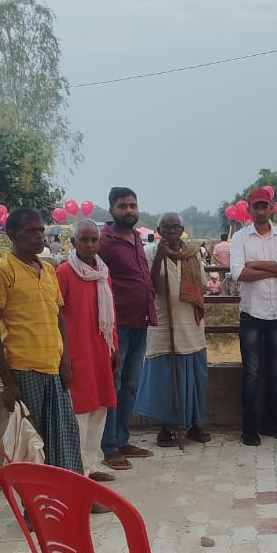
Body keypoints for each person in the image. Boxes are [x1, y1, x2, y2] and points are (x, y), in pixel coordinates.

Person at [0, 208, 82, 473]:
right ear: (12, 235)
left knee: (65, 436)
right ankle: (36, 496)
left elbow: (59, 318)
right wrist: (8, 382)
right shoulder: (1, 271)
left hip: (54, 367)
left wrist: (66, 361)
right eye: (31, 231)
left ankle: (68, 490)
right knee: (33, 441)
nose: (39, 236)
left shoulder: (48, 270)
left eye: (41, 230)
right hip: (25, 367)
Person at [136, 212, 212, 447]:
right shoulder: (150, 252)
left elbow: (201, 285)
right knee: (166, 380)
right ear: (159, 231)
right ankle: (166, 428)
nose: (171, 231)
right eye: (166, 227)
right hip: (164, 325)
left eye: (175, 227)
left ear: (181, 230)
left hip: (191, 324)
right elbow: (150, 286)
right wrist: (160, 257)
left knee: (194, 378)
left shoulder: (193, 254)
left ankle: (194, 425)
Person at [231, 187, 277, 445]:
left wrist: (256, 265)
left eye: (264, 206)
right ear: (250, 210)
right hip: (251, 313)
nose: (260, 211)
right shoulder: (241, 238)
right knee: (251, 372)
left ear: (271, 208)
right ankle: (249, 427)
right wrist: (276, 270)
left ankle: (271, 421)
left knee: (276, 371)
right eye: (256, 207)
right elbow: (238, 273)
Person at [98, 187, 157, 470]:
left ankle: (122, 439)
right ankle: (109, 447)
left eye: (133, 205)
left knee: (131, 385)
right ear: (112, 210)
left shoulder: (136, 238)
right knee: (114, 384)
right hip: (115, 325)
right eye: (123, 206)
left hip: (140, 322)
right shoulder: (103, 242)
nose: (129, 210)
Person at [55, 220, 118, 481]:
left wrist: (114, 346)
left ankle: (90, 467)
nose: (90, 245)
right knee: (79, 413)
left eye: (94, 240)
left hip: (101, 351)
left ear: (100, 243)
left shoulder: (103, 272)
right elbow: (56, 315)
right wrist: (64, 358)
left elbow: (111, 314)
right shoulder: (64, 273)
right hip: (76, 353)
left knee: (99, 409)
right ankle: (77, 472)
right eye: (84, 239)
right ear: (73, 242)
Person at [213, 231, 235, 296]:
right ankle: (232, 294)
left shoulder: (217, 246)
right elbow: (234, 255)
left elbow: (214, 255)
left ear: (221, 238)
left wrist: (220, 261)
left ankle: (224, 294)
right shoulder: (231, 246)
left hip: (221, 266)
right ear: (227, 238)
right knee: (231, 280)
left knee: (222, 280)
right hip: (230, 266)